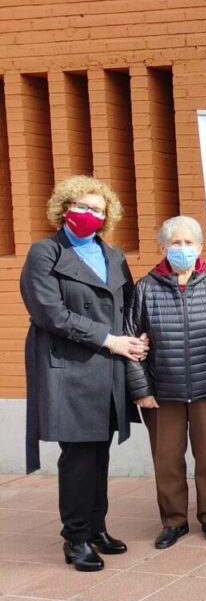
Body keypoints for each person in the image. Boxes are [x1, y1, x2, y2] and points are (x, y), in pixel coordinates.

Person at [21, 176, 146, 572]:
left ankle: (96, 527)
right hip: (69, 370)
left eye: (98, 209)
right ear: (64, 209)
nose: (90, 214)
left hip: (108, 371)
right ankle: (74, 537)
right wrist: (109, 340)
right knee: (78, 457)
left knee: (100, 454)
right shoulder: (44, 253)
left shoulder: (113, 256)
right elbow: (48, 312)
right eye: (83, 206)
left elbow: (126, 308)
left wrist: (132, 341)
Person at [126, 216, 206, 549]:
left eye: (189, 243)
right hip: (163, 393)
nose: (182, 249)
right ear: (162, 248)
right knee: (168, 460)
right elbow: (131, 343)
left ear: (200, 247)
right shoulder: (145, 287)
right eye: (175, 243)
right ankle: (173, 522)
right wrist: (141, 390)